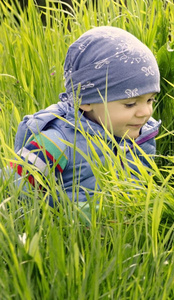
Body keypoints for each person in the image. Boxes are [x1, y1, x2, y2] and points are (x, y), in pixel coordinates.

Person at [10, 26, 161, 207]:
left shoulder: (141, 134)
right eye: (130, 104)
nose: (145, 112)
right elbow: (11, 187)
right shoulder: (57, 142)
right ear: (84, 100)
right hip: (71, 229)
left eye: (150, 100)